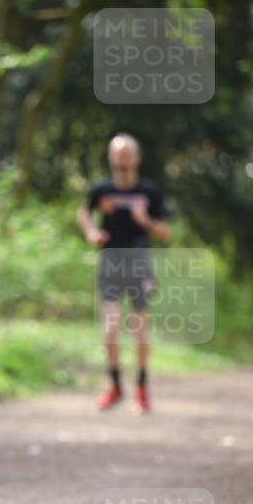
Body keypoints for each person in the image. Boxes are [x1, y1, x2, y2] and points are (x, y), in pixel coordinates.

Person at [77, 133, 171, 412]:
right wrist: (91, 231)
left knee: (140, 331)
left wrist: (147, 221)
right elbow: (82, 212)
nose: (122, 160)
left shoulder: (150, 192)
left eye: (127, 155)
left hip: (139, 262)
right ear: (110, 158)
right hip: (109, 263)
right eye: (117, 155)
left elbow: (166, 233)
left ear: (137, 158)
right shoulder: (101, 189)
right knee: (111, 328)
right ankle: (116, 385)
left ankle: (142, 385)